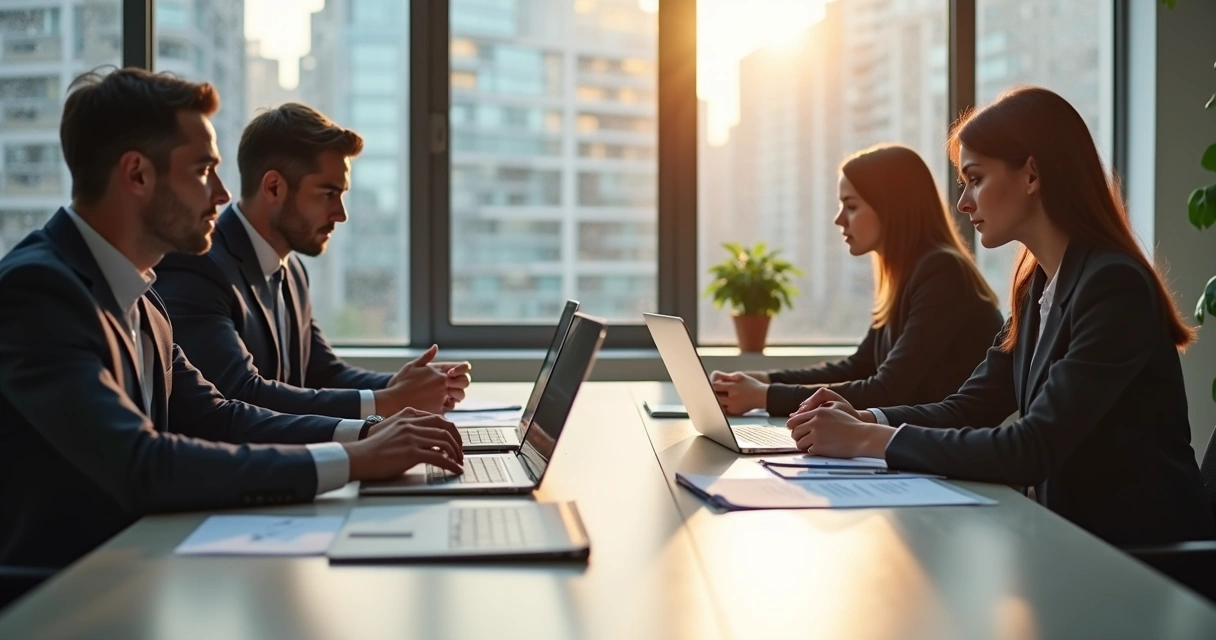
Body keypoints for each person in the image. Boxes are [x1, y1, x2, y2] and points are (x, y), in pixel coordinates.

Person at [0, 68, 464, 570]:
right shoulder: (39, 293)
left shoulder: (143, 296)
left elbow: (220, 416)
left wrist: (368, 432)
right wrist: (354, 459)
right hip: (60, 595)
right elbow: (142, 463)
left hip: (143, 565)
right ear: (137, 174)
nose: (221, 194)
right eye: (203, 171)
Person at [786, 86, 1216, 545]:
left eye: (975, 179)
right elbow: (969, 406)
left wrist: (867, 441)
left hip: (1145, 557)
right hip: (1073, 543)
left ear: (1031, 174)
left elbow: (1032, 448)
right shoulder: (1038, 286)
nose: (963, 202)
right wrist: (867, 419)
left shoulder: (1113, 286)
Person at [155, 103, 469, 420]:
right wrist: (387, 401)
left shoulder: (291, 269)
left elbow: (324, 373)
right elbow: (241, 393)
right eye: (328, 193)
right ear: (274, 187)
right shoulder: (198, 266)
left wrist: (403, 385)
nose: (341, 214)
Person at [711, 144, 1003, 417]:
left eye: (850, 206)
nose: (839, 220)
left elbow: (886, 389)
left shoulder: (942, 272)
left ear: (891, 208)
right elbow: (859, 366)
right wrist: (765, 380)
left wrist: (764, 396)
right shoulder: (908, 274)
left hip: (942, 457)